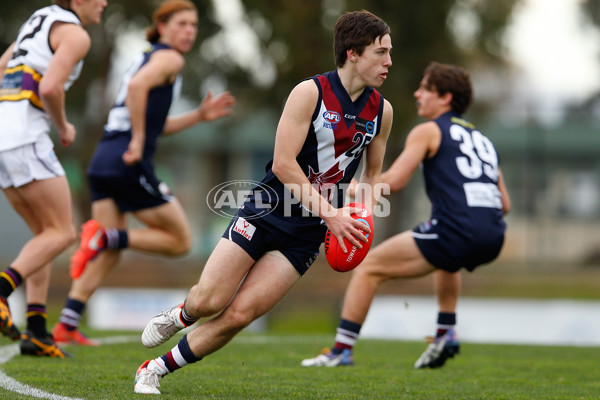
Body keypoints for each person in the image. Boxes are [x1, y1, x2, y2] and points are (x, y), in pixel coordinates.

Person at [133, 10, 393, 395]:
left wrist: (361, 216)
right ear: (353, 53)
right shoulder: (310, 93)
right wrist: (333, 215)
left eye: (390, 53)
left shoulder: (382, 112)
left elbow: (372, 175)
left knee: (240, 314)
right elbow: (285, 165)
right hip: (268, 211)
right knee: (210, 300)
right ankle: (181, 314)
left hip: (308, 233)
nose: (388, 62)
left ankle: (153, 369)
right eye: (380, 52)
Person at [301, 62, 511, 369]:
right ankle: (445, 331)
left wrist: (352, 186)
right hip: (494, 234)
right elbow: (504, 203)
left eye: (426, 88)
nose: (418, 93)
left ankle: (341, 350)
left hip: (457, 230)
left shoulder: (428, 130)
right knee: (446, 256)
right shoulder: (483, 141)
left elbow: (395, 181)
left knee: (369, 267)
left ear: (446, 98)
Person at [51, 0, 236, 347]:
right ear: (162, 27)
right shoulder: (170, 59)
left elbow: (155, 124)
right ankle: (106, 237)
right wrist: (137, 142)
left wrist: (198, 116)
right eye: (181, 23)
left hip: (105, 158)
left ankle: (67, 322)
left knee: (108, 250)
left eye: (194, 25)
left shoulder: (152, 57)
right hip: (127, 159)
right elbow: (137, 91)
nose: (189, 31)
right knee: (180, 240)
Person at [0, 0, 107, 358]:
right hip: (26, 137)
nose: (105, 2)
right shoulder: (76, 34)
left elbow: (2, 66)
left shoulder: (38, 18)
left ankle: (36, 331)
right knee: (63, 232)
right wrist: (63, 127)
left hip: (4, 135)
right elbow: (49, 89)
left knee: (43, 236)